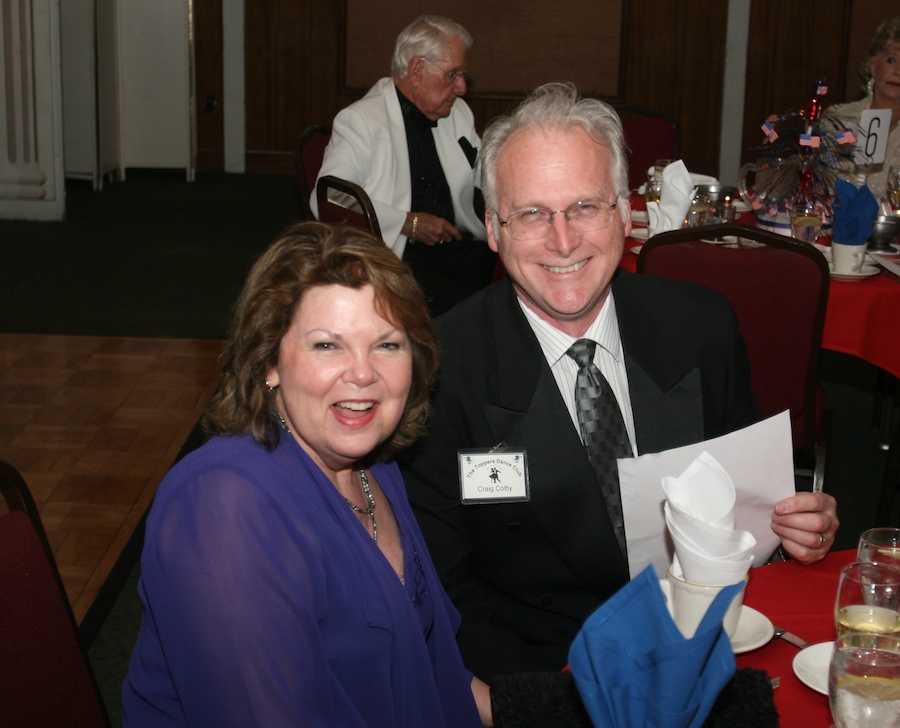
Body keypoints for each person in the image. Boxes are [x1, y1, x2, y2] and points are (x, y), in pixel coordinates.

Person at [399, 82, 840, 681]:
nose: (563, 240)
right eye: (531, 213)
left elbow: (747, 501)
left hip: (706, 646)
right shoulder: (442, 367)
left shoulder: (700, 328)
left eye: (585, 206)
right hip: (546, 669)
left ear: (624, 212)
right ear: (494, 229)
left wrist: (795, 529)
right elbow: (446, 590)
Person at [121, 222, 492, 727]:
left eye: (387, 345)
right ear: (269, 360)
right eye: (326, 346)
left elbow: (437, 674)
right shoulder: (222, 506)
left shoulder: (377, 471)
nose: (362, 373)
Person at [312, 15, 496, 316]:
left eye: (463, 75)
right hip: (398, 256)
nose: (462, 87)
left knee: (514, 288)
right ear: (416, 70)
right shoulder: (362, 121)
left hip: (459, 247)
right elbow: (331, 196)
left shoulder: (457, 112)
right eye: (453, 74)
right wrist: (408, 223)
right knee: (474, 314)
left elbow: (484, 169)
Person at [825, 17, 900, 200]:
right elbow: (821, 186)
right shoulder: (837, 119)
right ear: (873, 66)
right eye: (892, 60)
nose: (898, 71)